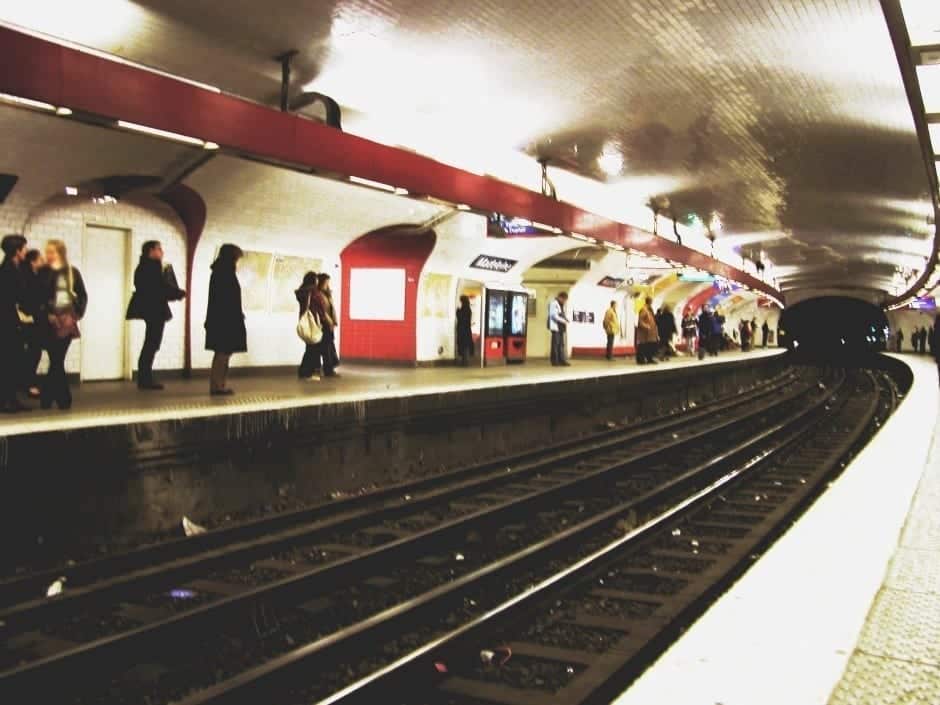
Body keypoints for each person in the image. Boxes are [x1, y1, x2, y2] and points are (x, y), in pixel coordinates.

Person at [126, 241, 185, 391]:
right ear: (151, 251)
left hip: (151, 309)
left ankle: (145, 378)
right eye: (159, 249)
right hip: (154, 309)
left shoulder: (144, 267)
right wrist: (178, 293)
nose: (162, 252)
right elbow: (159, 288)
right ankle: (145, 379)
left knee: (151, 343)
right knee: (152, 343)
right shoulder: (151, 267)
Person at [38, 239, 88, 410]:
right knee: (56, 359)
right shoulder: (43, 272)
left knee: (57, 359)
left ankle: (50, 398)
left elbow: (82, 294)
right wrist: (45, 312)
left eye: (51, 252)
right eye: (47, 252)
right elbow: (37, 295)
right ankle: (61, 398)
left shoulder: (72, 272)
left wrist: (77, 314)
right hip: (49, 320)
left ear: (60, 253)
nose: (48, 255)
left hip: (67, 319)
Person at [205, 244, 246, 396]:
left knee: (223, 352)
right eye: (237, 258)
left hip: (222, 319)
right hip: (225, 320)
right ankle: (217, 386)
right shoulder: (224, 273)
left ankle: (220, 384)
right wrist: (235, 315)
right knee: (223, 352)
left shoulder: (220, 271)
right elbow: (227, 298)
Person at [0, 235, 29, 413]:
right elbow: (13, 297)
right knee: (9, 360)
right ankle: (7, 400)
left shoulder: (12, 268)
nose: (26, 251)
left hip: (10, 320)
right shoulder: (8, 271)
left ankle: (10, 398)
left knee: (12, 360)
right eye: (24, 248)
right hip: (7, 322)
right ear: (17, 251)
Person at [20, 249, 45, 399]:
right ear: (33, 262)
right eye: (40, 259)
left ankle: (28, 382)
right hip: (28, 319)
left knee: (34, 352)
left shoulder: (36, 276)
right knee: (33, 352)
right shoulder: (28, 278)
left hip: (35, 319)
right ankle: (29, 384)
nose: (43, 261)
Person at [295, 271, 324, 380]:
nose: (317, 281)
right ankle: (306, 372)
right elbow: (320, 307)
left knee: (310, 348)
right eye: (316, 279)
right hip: (313, 321)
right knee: (313, 348)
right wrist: (322, 319)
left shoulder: (303, 292)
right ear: (313, 280)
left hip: (306, 321)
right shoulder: (313, 292)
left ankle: (306, 371)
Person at [317, 273, 339, 378]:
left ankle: (330, 368)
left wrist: (334, 322)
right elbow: (324, 311)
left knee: (330, 346)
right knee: (326, 347)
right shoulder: (319, 295)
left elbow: (331, 309)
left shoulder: (327, 294)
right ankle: (328, 370)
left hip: (329, 324)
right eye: (326, 282)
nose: (327, 284)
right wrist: (330, 322)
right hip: (324, 324)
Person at [548, 291, 570, 366]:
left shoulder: (561, 304)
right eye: (564, 299)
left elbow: (561, 314)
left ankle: (562, 360)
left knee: (561, 344)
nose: (564, 301)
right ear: (560, 297)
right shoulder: (553, 304)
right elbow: (554, 315)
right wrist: (564, 321)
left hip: (561, 327)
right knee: (555, 344)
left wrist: (565, 319)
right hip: (556, 327)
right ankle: (555, 361)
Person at [636, 297, 659, 364]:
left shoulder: (649, 309)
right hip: (645, 332)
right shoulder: (644, 309)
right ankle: (640, 360)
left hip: (650, 332)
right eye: (651, 301)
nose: (652, 303)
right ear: (649, 302)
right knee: (642, 346)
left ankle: (649, 358)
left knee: (650, 345)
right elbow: (640, 321)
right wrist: (646, 326)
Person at [456, 295, 474, 366]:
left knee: (463, 345)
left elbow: (461, 318)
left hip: (462, 330)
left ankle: (464, 361)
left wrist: (458, 311)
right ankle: (465, 361)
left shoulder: (463, 309)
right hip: (467, 330)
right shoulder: (468, 309)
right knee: (466, 345)